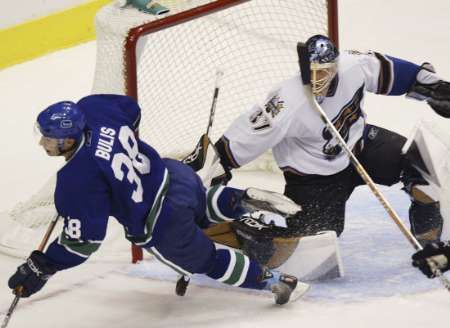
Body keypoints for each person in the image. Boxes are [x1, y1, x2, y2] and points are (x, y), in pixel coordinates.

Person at [7, 94, 307, 305]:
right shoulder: (94, 108)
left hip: (162, 224)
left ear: (68, 140)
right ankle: (240, 199)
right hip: (173, 176)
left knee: (209, 260)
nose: (42, 143)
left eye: (48, 138)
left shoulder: (74, 182)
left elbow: (84, 243)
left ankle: (273, 281)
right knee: (200, 207)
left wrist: (44, 265)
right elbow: (130, 110)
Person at [214, 34, 450, 245]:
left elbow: (398, 73)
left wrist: (432, 88)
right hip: (315, 178)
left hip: (361, 146)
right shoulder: (285, 103)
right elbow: (239, 141)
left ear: (335, 66)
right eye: (314, 72)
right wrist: (213, 171)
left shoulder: (353, 65)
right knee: (316, 243)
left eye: (326, 71)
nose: (320, 80)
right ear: (304, 68)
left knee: (422, 164)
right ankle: (245, 227)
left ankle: (429, 239)